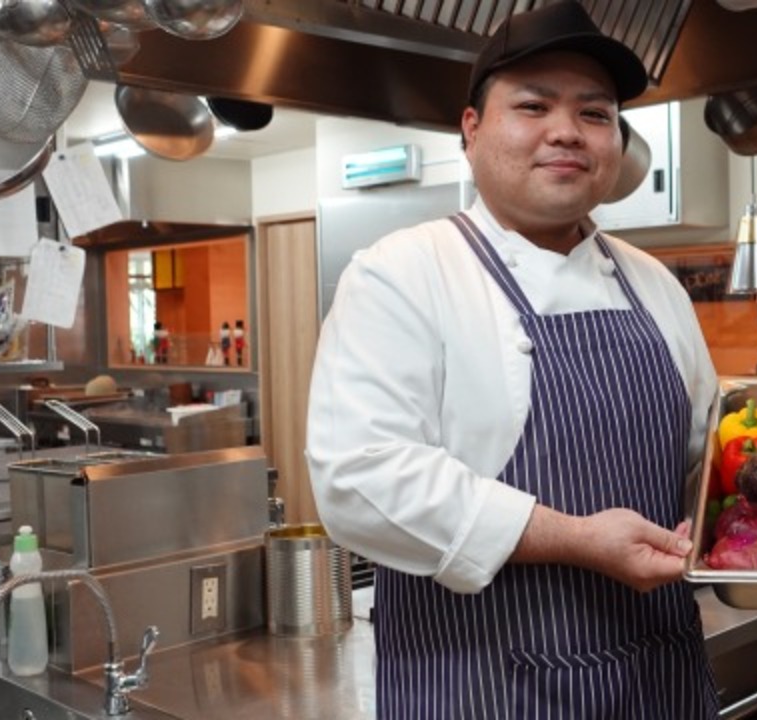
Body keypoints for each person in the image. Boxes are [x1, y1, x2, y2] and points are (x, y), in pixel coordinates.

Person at [306, 3, 719, 717]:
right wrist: (576, 539)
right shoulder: (401, 274)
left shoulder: (654, 285)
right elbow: (359, 477)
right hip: (482, 688)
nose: (567, 131)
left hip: (661, 682)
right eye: (533, 105)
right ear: (471, 130)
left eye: (595, 113)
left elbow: (703, 465)